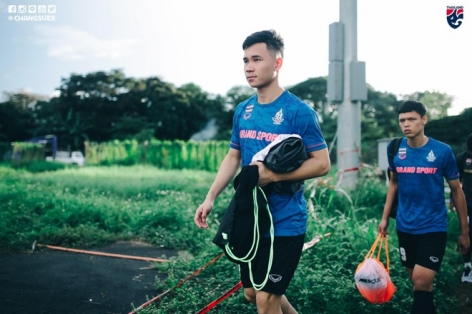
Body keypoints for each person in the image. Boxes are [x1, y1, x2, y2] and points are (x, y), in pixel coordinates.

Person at [194, 29, 330, 314]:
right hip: (250, 218)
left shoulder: (298, 112)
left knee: (266, 299)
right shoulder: (243, 110)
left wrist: (275, 176)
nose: (249, 67)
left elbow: (322, 163)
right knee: (252, 293)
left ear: (277, 63)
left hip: (285, 221)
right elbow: (233, 157)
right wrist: (210, 197)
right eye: (245, 60)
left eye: (256, 59)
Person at [378, 100, 470, 314]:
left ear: (424, 120)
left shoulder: (442, 151)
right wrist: (384, 218)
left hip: (433, 227)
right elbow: (393, 184)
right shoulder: (395, 149)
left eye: (411, 119)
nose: (406, 124)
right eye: (402, 120)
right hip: (405, 226)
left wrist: (465, 231)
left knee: (420, 281)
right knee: (419, 285)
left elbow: (457, 191)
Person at [450, 133, 472, 282]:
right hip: (467, 205)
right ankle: (467, 267)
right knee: (467, 235)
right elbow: (455, 183)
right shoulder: (462, 159)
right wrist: (452, 200)